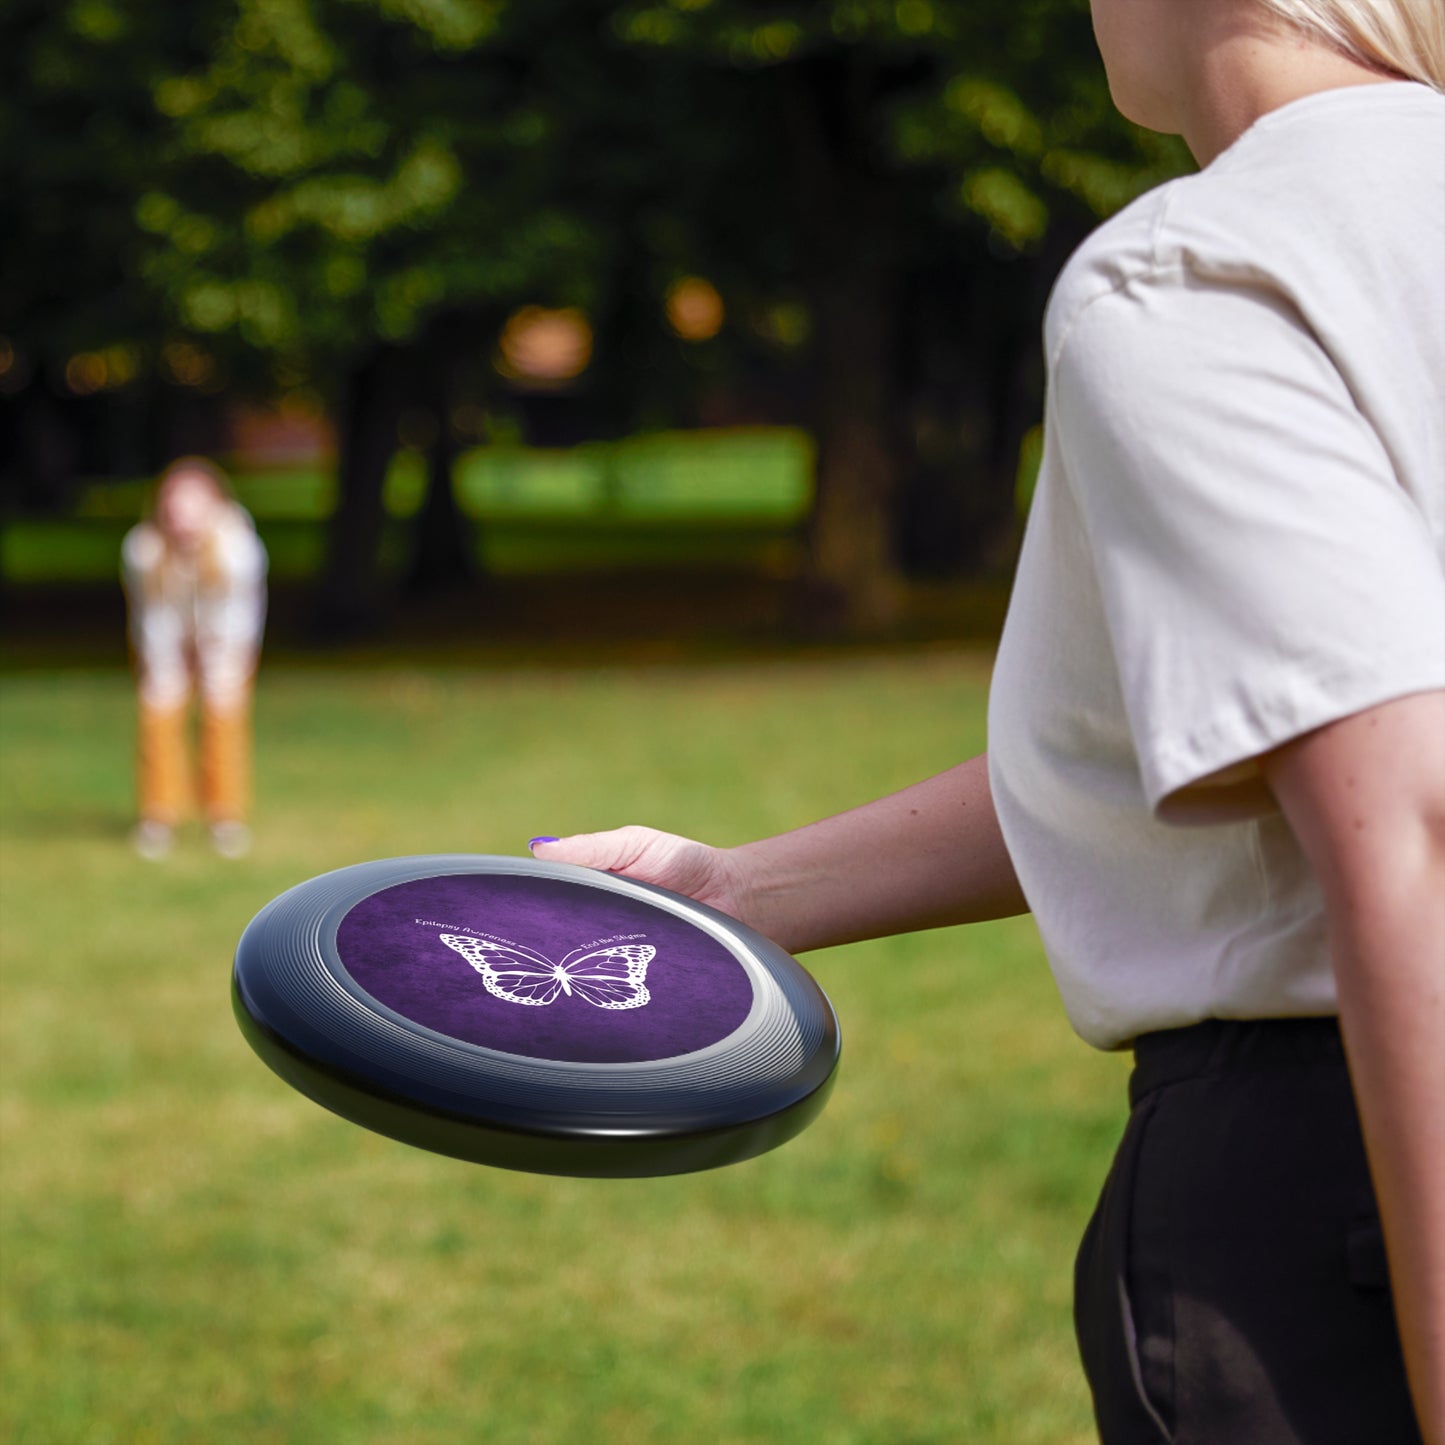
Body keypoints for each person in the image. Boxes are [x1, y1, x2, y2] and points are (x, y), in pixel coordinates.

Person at [528, 2, 1445, 1440]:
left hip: (1342, 1190)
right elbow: (1220, 740)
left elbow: (1409, 821)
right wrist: (738, 890)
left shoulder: (1204, 270)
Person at [121, 457, 268, 860]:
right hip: (165, 640)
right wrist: (168, 665)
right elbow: (152, 616)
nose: (182, 517)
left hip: (226, 641)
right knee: (158, 712)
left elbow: (239, 616)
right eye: (174, 506)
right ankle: (158, 816)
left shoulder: (239, 549)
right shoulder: (143, 549)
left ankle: (225, 818)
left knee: (223, 717)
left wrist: (214, 659)